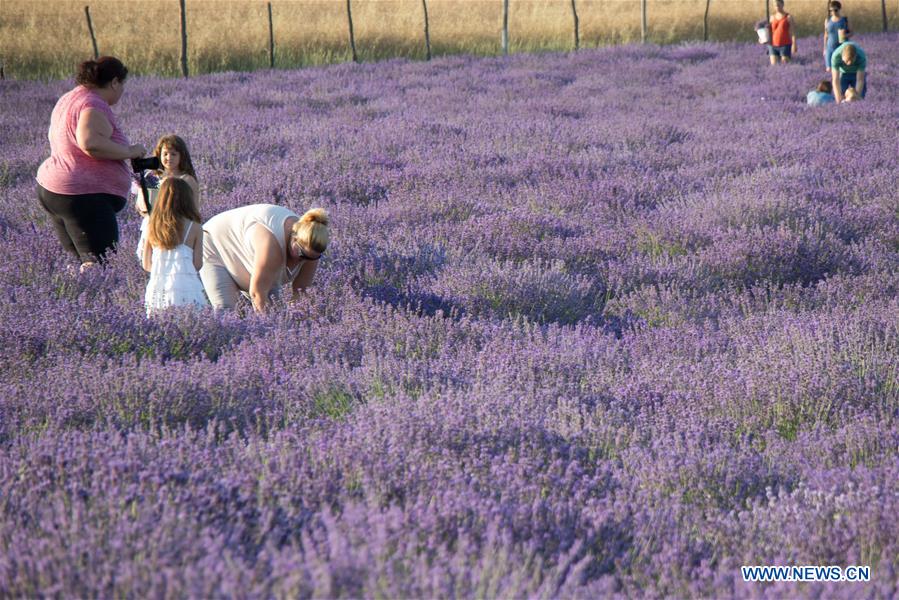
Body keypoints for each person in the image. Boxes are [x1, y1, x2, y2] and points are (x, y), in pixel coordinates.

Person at [36, 56, 147, 272]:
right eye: (122, 84)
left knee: (79, 263)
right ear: (114, 82)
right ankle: (99, 300)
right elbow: (90, 143)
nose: (122, 91)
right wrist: (129, 151)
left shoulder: (71, 98)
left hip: (56, 190)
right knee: (99, 266)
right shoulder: (93, 103)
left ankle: (73, 302)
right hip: (83, 196)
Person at [200, 204, 330, 312]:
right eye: (301, 254)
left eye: (311, 258)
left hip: (247, 254)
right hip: (215, 243)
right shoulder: (272, 245)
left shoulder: (312, 249)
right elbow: (258, 294)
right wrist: (270, 330)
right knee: (227, 311)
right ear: (294, 238)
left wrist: (299, 320)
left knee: (276, 311)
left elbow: (301, 293)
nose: (303, 261)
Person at [142, 178, 208, 315]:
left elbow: (146, 264)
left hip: (158, 290)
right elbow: (197, 264)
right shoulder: (194, 227)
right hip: (187, 288)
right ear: (187, 200)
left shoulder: (151, 225)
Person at [135, 134, 201, 262]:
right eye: (165, 154)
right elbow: (140, 207)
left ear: (182, 157)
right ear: (159, 154)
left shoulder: (187, 180)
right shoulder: (152, 177)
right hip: (153, 227)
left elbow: (194, 209)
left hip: (178, 228)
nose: (168, 158)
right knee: (149, 262)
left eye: (173, 154)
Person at [823, 1, 850, 72]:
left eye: (835, 10)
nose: (833, 12)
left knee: (841, 69)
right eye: (831, 10)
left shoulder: (844, 20)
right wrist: (824, 48)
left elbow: (852, 32)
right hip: (830, 48)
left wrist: (845, 35)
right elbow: (826, 35)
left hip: (842, 48)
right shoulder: (827, 20)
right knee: (829, 69)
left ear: (839, 9)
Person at [767, 0, 797, 65]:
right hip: (773, 45)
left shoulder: (788, 17)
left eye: (778, 5)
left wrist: (794, 44)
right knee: (774, 67)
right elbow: (769, 32)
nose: (777, 7)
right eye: (775, 6)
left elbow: (793, 32)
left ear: (782, 5)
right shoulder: (772, 17)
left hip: (785, 45)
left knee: (785, 65)